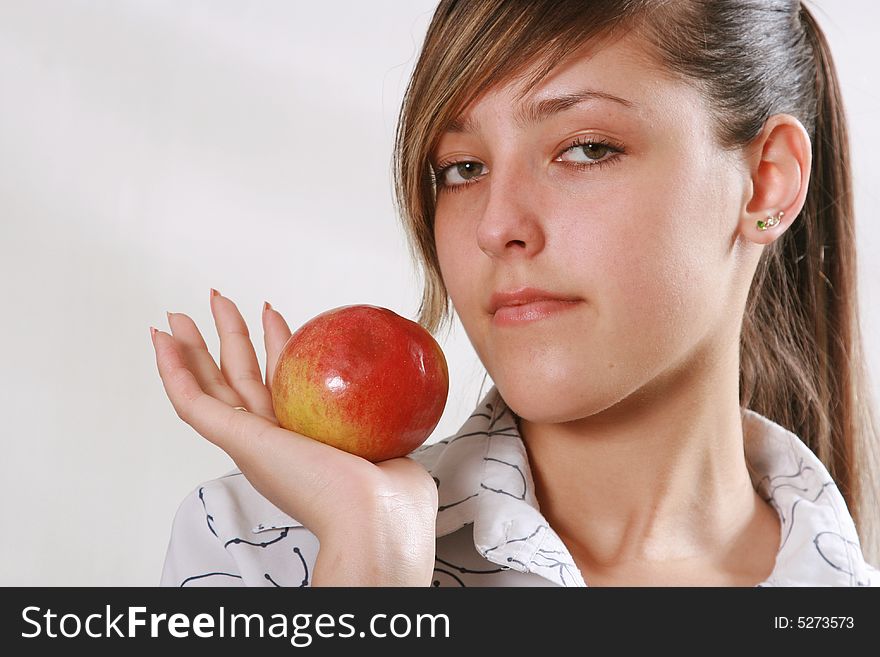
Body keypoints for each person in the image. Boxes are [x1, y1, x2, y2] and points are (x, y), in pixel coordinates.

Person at [152, 0, 880, 586]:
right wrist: (370, 576)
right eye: (463, 168)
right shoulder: (261, 550)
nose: (497, 225)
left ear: (766, 182)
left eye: (586, 148)